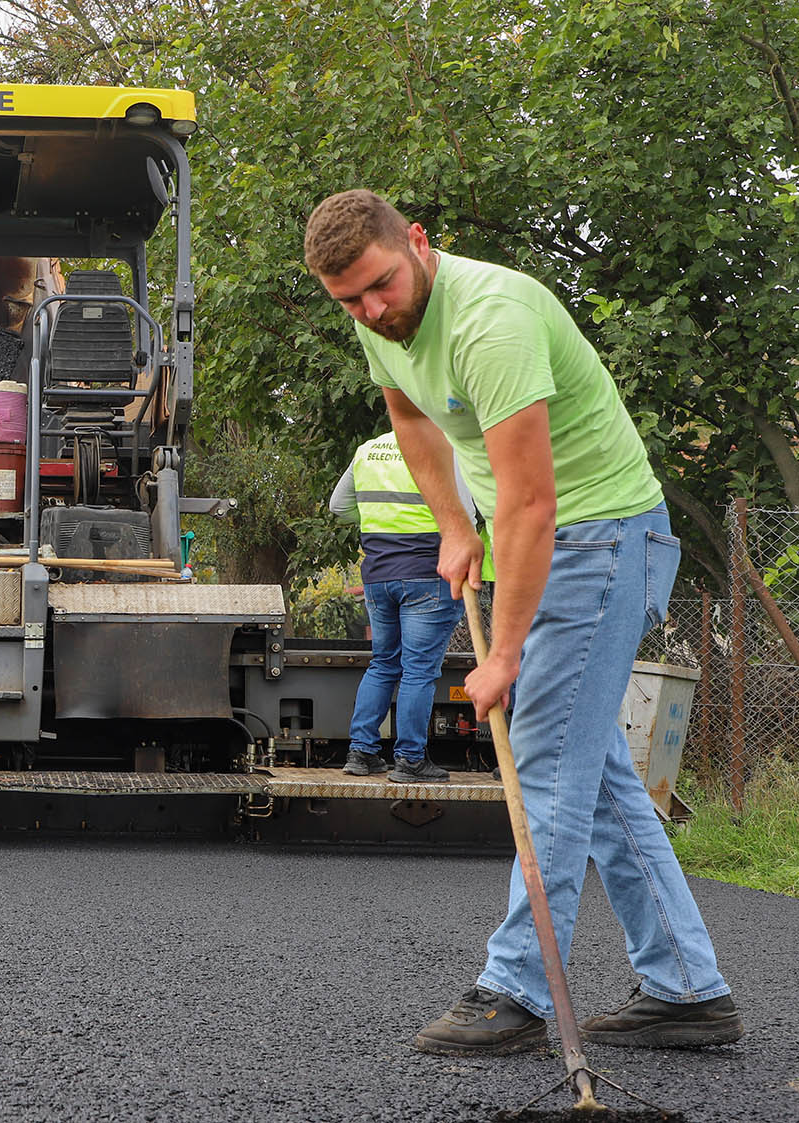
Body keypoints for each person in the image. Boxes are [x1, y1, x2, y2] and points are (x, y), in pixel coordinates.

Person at [304, 189, 741, 1055]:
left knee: (544, 755)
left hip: (603, 537)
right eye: (350, 300)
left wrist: (500, 654)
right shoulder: (379, 320)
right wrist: (456, 528)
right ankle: (689, 989)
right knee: (596, 766)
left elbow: (536, 503)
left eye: (382, 287)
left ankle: (517, 989)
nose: (372, 311)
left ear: (419, 243)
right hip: (544, 537)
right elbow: (412, 419)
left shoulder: (489, 320)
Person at [328, 431, 478, 783]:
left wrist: (381, 527)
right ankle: (410, 760)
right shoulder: (442, 445)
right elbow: (467, 515)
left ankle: (362, 752)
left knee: (383, 663)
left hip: (379, 576)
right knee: (419, 671)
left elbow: (339, 507)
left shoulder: (368, 449)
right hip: (428, 574)